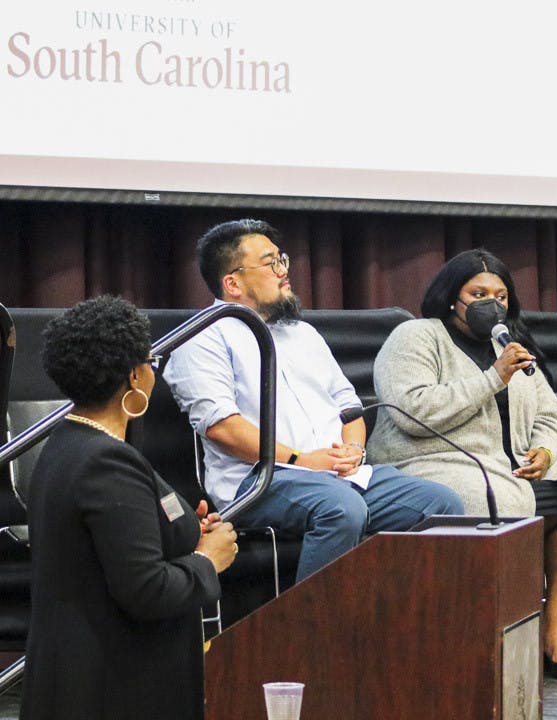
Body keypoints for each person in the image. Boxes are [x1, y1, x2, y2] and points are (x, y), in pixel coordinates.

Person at [163, 219, 463, 584]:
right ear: (233, 283)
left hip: (339, 473)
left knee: (444, 504)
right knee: (341, 510)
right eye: (271, 263)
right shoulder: (203, 336)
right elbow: (222, 427)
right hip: (263, 479)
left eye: (282, 260)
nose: (284, 271)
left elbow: (349, 407)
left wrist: (353, 450)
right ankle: (311, 637)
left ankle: (400, 627)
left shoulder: (303, 333)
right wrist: (304, 460)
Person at [366, 249, 557, 680]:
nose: (491, 303)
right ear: (451, 298)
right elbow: (411, 411)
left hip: (512, 463)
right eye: (478, 293)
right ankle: (489, 635)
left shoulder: (510, 343)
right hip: (430, 460)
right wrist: (494, 377)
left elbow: (550, 413)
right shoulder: (417, 336)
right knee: (485, 493)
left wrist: (546, 451)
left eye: (500, 295)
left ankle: (555, 635)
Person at [20, 296, 238, 720]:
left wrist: (182, 530)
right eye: (150, 361)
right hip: (112, 689)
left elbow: (116, 541)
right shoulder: (106, 462)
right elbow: (147, 591)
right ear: (135, 376)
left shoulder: (66, 445)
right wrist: (207, 561)